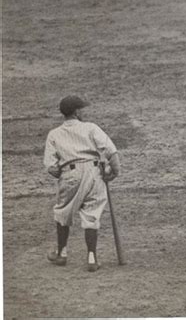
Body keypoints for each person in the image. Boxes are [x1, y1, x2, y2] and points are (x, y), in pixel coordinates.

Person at [43, 95, 120, 272]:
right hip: (94, 173)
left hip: (69, 173)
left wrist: (66, 175)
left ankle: (62, 253)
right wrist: (114, 172)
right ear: (77, 112)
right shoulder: (91, 128)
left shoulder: (54, 134)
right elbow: (112, 152)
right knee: (92, 213)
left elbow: (51, 167)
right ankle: (92, 258)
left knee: (63, 211)